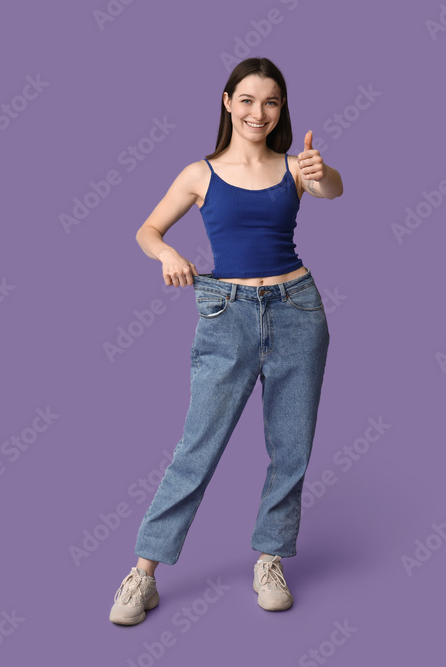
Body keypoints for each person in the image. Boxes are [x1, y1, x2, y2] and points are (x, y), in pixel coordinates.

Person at [109, 57, 343, 625]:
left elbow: (332, 190)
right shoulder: (199, 173)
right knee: (197, 448)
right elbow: (147, 229)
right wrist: (166, 252)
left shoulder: (294, 168)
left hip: (297, 310)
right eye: (246, 100)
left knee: (290, 449)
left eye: (270, 101)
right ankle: (143, 575)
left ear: (281, 109)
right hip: (227, 313)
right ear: (226, 102)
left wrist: (321, 170)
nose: (257, 112)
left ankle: (269, 560)